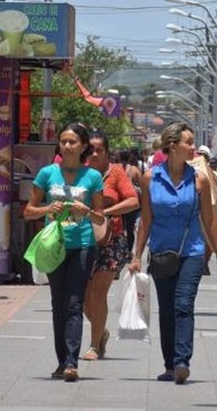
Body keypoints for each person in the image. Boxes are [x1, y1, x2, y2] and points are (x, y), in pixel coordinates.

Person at [128, 122, 217, 385]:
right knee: (167, 309)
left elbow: (208, 222)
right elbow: (146, 221)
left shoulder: (199, 179)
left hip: (192, 252)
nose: (193, 147)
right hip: (162, 252)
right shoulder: (151, 178)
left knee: (183, 304)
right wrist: (136, 255)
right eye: (188, 142)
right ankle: (170, 365)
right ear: (172, 146)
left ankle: (182, 361)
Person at [23, 122, 106, 382]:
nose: (67, 146)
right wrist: (47, 210)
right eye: (63, 141)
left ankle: (71, 362)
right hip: (55, 246)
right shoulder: (47, 174)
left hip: (82, 245)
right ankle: (61, 362)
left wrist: (87, 211)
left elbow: (101, 219)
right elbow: (28, 211)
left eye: (72, 142)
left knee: (74, 302)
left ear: (83, 147)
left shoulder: (92, 177)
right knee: (58, 303)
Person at [81, 133, 140, 361]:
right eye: (91, 149)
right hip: (83, 239)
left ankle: (94, 346)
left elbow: (133, 200)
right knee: (84, 299)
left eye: (99, 150)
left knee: (98, 293)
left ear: (107, 152)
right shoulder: (81, 173)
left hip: (110, 239)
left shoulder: (115, 173)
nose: (95, 154)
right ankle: (101, 330)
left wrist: (104, 212)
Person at [191, 145, 217, 276]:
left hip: (208, 208)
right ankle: (201, 262)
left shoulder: (210, 172)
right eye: (200, 154)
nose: (201, 157)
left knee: (208, 237)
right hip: (194, 209)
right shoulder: (191, 168)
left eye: (204, 155)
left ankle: (204, 262)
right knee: (202, 237)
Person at [118, 149, 142, 253]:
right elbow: (142, 184)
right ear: (129, 158)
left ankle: (120, 250)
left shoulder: (115, 169)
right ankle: (128, 251)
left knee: (119, 229)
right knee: (130, 228)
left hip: (119, 203)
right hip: (131, 204)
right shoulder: (134, 169)